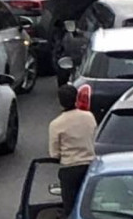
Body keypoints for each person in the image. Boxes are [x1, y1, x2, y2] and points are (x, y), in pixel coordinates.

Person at [49, 84, 97, 216]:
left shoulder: (56, 124)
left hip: (69, 168)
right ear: (76, 98)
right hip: (89, 166)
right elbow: (94, 136)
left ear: (60, 101)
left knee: (70, 207)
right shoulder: (89, 117)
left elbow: (54, 154)